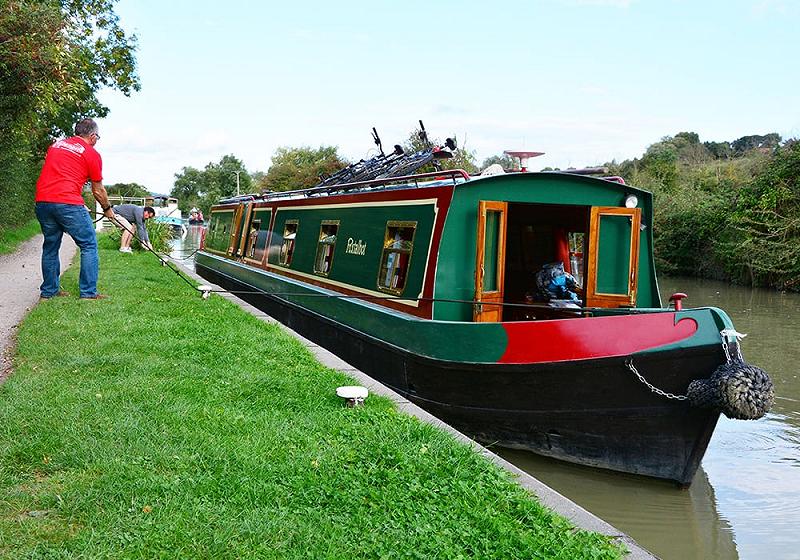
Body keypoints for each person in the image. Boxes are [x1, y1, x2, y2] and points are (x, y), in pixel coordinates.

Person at [34, 118, 113, 299]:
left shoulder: (56, 145)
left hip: (43, 202)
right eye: (98, 137)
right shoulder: (92, 153)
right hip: (67, 202)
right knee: (89, 244)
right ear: (93, 136)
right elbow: (98, 190)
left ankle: (49, 291)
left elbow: (61, 173)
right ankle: (88, 292)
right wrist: (107, 209)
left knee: (51, 246)